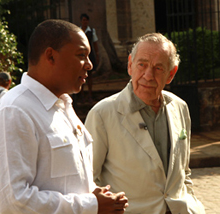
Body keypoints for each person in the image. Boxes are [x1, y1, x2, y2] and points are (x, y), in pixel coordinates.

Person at [0, 19, 128, 213]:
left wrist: (98, 195)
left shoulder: (63, 106)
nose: (89, 65)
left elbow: (65, 183)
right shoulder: (15, 110)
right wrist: (91, 205)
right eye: (81, 55)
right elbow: (13, 201)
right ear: (50, 56)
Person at [85, 33, 206, 214]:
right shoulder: (102, 114)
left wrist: (193, 204)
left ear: (171, 74)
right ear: (130, 65)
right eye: (142, 65)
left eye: (158, 68)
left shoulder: (180, 107)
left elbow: (183, 172)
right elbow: (87, 180)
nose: (148, 76)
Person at [80, 13, 99, 103]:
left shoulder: (91, 31)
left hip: (90, 55)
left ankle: (90, 94)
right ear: (81, 21)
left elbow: (95, 43)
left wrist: (97, 54)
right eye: (83, 20)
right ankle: (82, 95)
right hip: (80, 55)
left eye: (86, 20)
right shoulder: (78, 31)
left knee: (90, 76)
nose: (85, 22)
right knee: (81, 74)